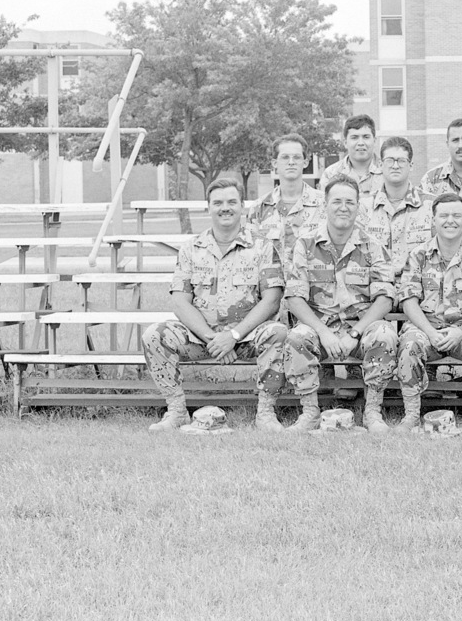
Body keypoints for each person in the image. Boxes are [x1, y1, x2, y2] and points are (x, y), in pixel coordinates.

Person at [143, 177, 289, 432]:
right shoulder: (191, 249)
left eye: (232, 201)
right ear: (208, 207)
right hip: (202, 338)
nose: (225, 207)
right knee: (154, 335)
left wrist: (233, 336)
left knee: (278, 333)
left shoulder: (263, 247)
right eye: (218, 202)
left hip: (247, 338)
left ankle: (266, 413)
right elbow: (180, 302)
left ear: (242, 206)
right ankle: (176, 411)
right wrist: (215, 338)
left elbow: (272, 300)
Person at [283, 177, 399, 432]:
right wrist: (323, 333)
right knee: (296, 337)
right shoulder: (305, 244)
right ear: (325, 205)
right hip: (320, 328)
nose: (343, 207)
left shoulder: (372, 246)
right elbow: (294, 297)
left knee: (384, 334)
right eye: (337, 201)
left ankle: (372, 411)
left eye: (350, 202)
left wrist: (355, 332)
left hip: (360, 328)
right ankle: (310, 412)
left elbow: (385, 298)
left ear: (358, 207)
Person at [397, 193, 462, 433]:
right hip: (427, 326)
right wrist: (429, 331)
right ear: (433, 220)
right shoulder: (418, 255)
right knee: (410, 344)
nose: (450, 220)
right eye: (443, 215)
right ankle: (411, 414)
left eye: (456, 215)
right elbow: (409, 300)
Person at [360, 136, 432, 278]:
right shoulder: (364, 207)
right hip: (376, 289)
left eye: (401, 161)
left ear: (411, 165)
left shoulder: (431, 206)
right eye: (389, 160)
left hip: (418, 289)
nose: (395, 165)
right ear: (380, 164)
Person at [247, 135, 322, 262]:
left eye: (297, 157)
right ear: (274, 163)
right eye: (285, 157)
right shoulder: (259, 208)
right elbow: (251, 253)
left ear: (305, 162)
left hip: (312, 280)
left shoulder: (324, 204)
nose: (291, 162)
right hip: (273, 281)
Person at [320, 114, 384, 200]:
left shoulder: (388, 170)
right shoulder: (331, 174)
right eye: (354, 137)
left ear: (374, 141)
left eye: (366, 137)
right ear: (345, 142)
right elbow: (323, 208)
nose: (360, 143)